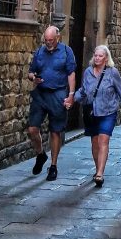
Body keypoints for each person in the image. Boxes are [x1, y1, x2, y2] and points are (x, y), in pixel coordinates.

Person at [74, 45, 121, 187]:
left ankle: (100, 173)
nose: (97, 58)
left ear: (106, 58)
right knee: (95, 142)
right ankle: (97, 168)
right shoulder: (88, 72)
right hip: (92, 112)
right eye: (96, 55)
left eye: (100, 56)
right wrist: (72, 98)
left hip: (108, 112)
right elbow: (83, 90)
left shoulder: (113, 73)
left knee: (103, 140)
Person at [26, 25, 76, 181]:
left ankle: (53, 166)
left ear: (57, 38)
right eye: (46, 40)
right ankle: (41, 154)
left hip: (58, 93)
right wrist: (34, 78)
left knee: (55, 131)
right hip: (41, 94)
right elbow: (30, 72)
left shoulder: (67, 52)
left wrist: (71, 95)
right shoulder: (40, 51)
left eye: (51, 40)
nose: (48, 43)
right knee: (32, 129)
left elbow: (71, 74)